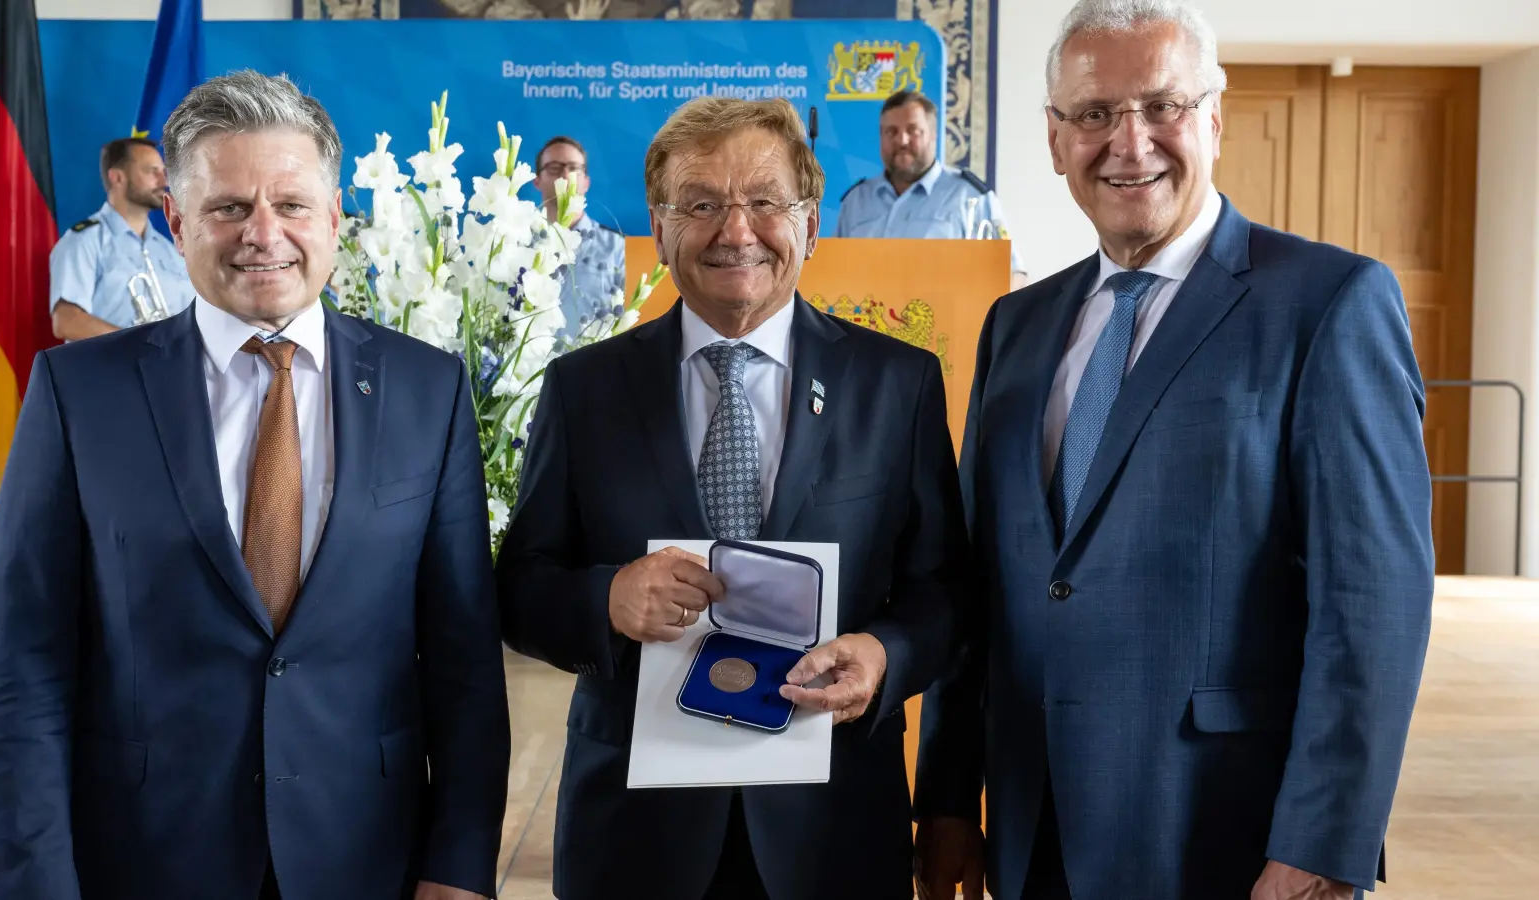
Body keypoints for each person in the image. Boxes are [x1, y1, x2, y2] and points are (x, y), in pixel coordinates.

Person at [913, 2, 1435, 899]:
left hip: (1224, 832)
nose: (1129, 142)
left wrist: (1323, 840)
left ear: (1215, 118)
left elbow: (1372, 602)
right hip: (1035, 830)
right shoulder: (1018, 325)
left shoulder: (1330, 302)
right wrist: (951, 797)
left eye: (1162, 107)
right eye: (1094, 114)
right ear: (1053, 138)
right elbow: (983, 588)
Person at [0, 71, 508, 900]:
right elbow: (23, 675)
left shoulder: (428, 389)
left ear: (335, 219)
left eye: (292, 205)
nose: (264, 233)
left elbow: (464, 662)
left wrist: (460, 868)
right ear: (178, 223)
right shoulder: (81, 396)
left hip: (368, 856)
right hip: (144, 861)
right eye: (228, 208)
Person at [498, 96, 971, 900]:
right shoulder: (585, 388)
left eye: (763, 201)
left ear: (812, 224)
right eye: (702, 204)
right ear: (661, 224)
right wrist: (605, 598)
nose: (735, 230)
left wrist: (886, 655)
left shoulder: (898, 384)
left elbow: (948, 593)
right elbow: (518, 588)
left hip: (833, 829)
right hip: (634, 833)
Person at [835, 90, 1028, 288]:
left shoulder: (971, 197)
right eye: (891, 132)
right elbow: (834, 273)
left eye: (913, 130)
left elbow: (1012, 274)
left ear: (933, 135)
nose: (902, 140)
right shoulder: (856, 201)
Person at [47, 137, 197, 341]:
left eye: (163, 173)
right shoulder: (83, 242)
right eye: (151, 172)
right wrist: (142, 345)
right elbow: (67, 321)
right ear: (117, 177)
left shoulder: (169, 250)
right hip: (107, 371)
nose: (164, 182)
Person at [532, 135, 626, 338]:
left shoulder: (618, 248)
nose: (565, 175)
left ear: (586, 182)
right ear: (537, 181)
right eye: (554, 168)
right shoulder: (518, 243)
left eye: (574, 168)